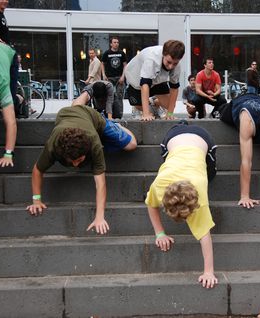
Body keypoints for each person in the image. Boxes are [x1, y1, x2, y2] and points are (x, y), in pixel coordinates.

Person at [26, 104, 137, 234]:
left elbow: (100, 183)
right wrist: (36, 200)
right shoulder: (53, 145)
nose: (74, 165)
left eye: (79, 160)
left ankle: (115, 125)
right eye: (71, 161)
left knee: (131, 145)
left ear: (87, 152)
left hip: (91, 116)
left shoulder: (94, 144)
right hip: (64, 113)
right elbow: (37, 170)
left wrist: (99, 216)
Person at [145, 121, 218, 288]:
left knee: (211, 173)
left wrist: (209, 271)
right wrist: (159, 233)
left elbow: (204, 234)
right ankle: (182, 124)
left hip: (201, 138)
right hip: (173, 138)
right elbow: (151, 204)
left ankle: (182, 124)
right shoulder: (159, 185)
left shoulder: (201, 196)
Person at [124, 40, 185, 121]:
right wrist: (146, 114)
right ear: (163, 54)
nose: (170, 67)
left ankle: (154, 103)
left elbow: (174, 88)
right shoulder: (151, 59)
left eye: (175, 63)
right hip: (136, 80)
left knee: (170, 105)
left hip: (158, 80)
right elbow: (144, 85)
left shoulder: (177, 65)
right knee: (144, 108)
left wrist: (170, 113)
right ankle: (139, 108)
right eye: (169, 62)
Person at [101, 37, 127, 119]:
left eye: (117, 42)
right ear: (111, 44)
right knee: (110, 96)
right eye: (114, 42)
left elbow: (125, 65)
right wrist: (104, 75)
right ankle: (109, 115)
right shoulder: (107, 53)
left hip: (119, 78)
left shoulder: (122, 53)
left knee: (119, 96)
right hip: (109, 78)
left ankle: (119, 115)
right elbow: (102, 64)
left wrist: (123, 76)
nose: (116, 44)